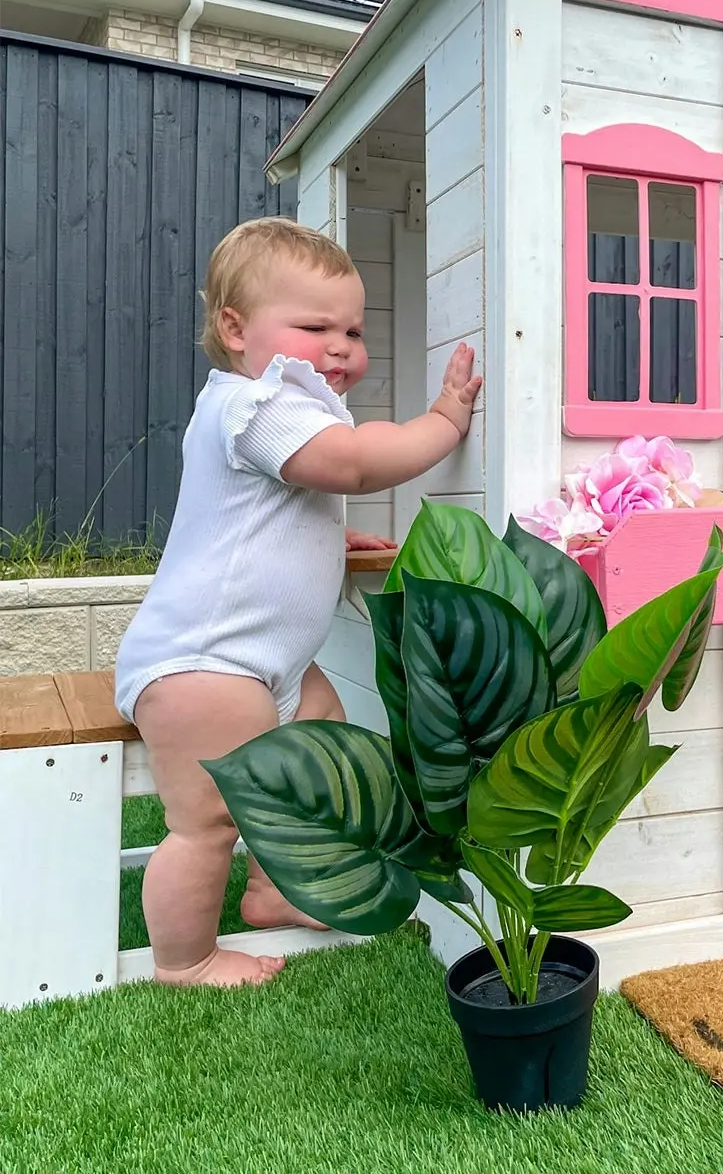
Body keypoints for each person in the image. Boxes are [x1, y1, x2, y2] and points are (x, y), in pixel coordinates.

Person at [114, 217, 481, 989]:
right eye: (315, 326)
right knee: (208, 819)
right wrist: (442, 423)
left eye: (352, 327)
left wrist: (327, 543)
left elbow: (273, 512)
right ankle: (185, 960)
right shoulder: (258, 404)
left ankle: (277, 889)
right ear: (235, 327)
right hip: (204, 663)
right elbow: (346, 466)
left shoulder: (271, 405)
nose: (341, 344)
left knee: (321, 747)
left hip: (262, 664)